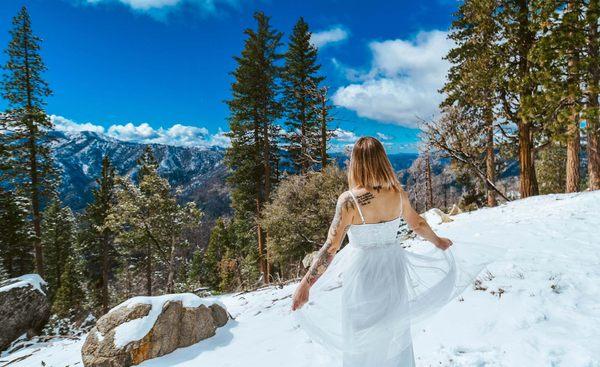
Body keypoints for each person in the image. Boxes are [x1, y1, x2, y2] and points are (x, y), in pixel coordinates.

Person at [291, 137, 463, 367]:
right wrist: (438, 241)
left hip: (362, 273)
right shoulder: (397, 194)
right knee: (393, 330)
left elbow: (331, 247)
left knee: (361, 334)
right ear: (382, 160)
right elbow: (418, 224)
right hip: (393, 269)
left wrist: (306, 284)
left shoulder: (349, 201)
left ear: (357, 163)